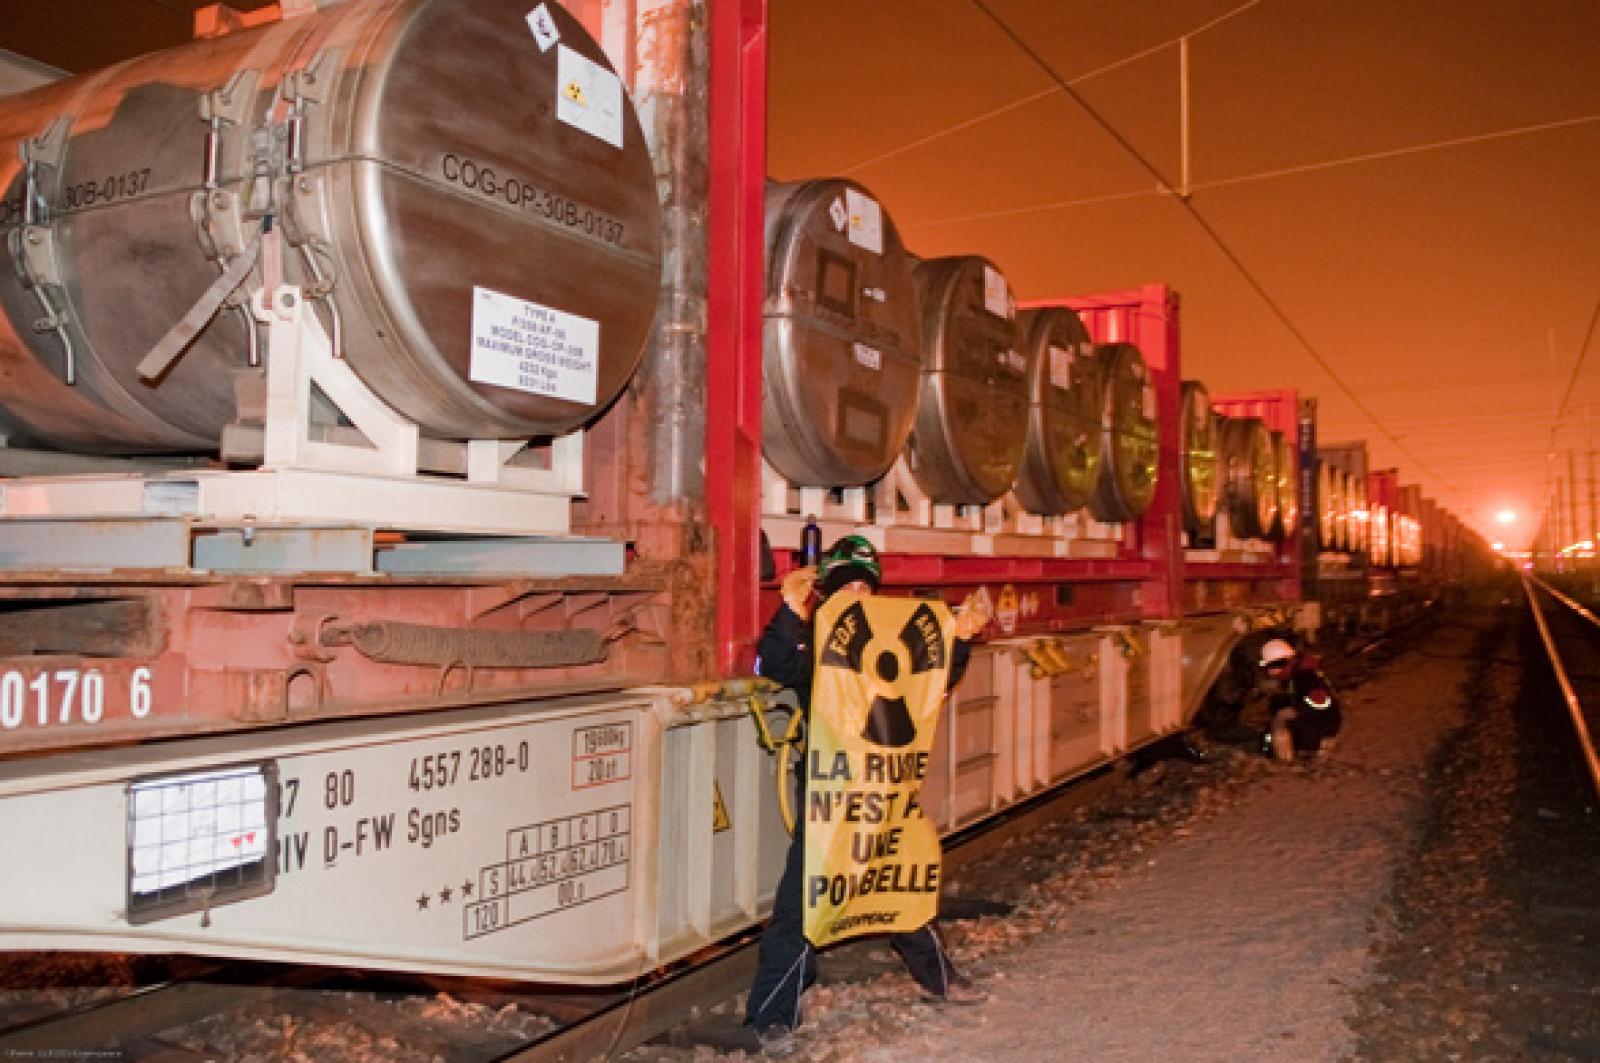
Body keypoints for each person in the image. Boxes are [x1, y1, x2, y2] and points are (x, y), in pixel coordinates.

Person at [746, 535, 989, 1056]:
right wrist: (788, 611)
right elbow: (770, 666)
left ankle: (938, 978)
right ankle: (774, 1016)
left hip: (883, 793)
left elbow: (933, 680)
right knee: (802, 902)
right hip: (830, 801)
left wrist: (961, 640)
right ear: (829, 593)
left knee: (901, 886)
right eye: (848, 585)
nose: (859, 593)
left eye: (865, 585)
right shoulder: (816, 644)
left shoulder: (892, 643)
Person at [1257, 637, 1343, 762]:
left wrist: (1292, 711)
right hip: (1323, 720)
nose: (1270, 672)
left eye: (1270, 667)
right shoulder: (1298, 672)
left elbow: (1321, 702)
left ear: (1282, 663)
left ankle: (1290, 756)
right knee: (1277, 715)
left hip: (1322, 723)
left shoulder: (1305, 676)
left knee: (1278, 724)